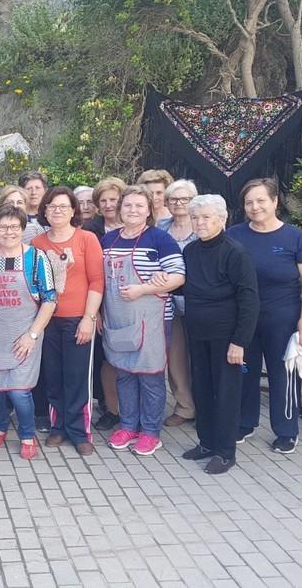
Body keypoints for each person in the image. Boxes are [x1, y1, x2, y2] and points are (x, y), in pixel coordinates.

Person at [227, 178, 302, 454]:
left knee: (283, 376)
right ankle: (244, 423)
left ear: (275, 202)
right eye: (249, 202)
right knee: (244, 372)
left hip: (283, 317)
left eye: (261, 200)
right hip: (244, 318)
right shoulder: (234, 234)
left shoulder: (295, 238)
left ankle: (286, 431)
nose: (255, 207)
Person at [101, 185, 184, 456]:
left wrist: (144, 289)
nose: (133, 210)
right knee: (124, 373)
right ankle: (128, 425)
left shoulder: (160, 239)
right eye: (128, 205)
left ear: (149, 210)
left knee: (150, 376)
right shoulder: (109, 241)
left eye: (139, 206)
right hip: (117, 316)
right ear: (120, 209)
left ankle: (150, 432)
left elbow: (177, 277)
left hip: (152, 321)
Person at [180, 195, 259, 474]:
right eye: (195, 217)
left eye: (206, 218)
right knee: (201, 388)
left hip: (227, 336)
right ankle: (206, 442)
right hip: (197, 332)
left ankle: (225, 452)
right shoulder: (190, 251)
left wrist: (240, 342)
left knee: (225, 392)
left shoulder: (235, 253)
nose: (199, 223)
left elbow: (249, 300)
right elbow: (186, 286)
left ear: (222, 220)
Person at [0, 205, 57, 459]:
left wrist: (32, 335)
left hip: (25, 335)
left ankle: (26, 433)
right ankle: (0, 427)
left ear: (23, 229)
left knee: (20, 392)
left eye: (14, 227)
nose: (8, 232)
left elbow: (50, 300)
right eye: (3, 227)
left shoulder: (37, 258)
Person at [32, 188, 105, 455]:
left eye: (64, 206)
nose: (58, 211)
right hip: (48, 320)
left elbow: (97, 281)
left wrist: (89, 317)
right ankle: (58, 427)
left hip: (78, 319)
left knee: (76, 377)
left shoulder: (87, 239)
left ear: (73, 210)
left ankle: (79, 431)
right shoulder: (38, 244)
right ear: (45, 211)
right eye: (52, 206)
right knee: (53, 375)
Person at [155, 179, 199, 428]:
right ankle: (185, 406)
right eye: (173, 199)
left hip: (200, 301)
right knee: (176, 357)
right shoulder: (161, 228)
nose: (179, 204)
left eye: (185, 199)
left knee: (201, 357)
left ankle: (207, 405)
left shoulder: (203, 223)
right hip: (169, 301)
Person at [83, 176, 126, 430]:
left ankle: (133, 409)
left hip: (130, 302)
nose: (109, 205)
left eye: (114, 199)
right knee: (107, 358)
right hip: (101, 302)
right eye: (104, 200)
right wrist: (94, 312)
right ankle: (111, 410)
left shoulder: (137, 225)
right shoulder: (91, 230)